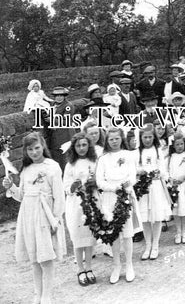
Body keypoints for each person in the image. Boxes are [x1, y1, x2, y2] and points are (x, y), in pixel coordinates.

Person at [3, 132, 66, 304]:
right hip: (28, 215)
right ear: (26, 151)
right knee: (35, 259)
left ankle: (47, 296)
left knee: (46, 258)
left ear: (43, 146)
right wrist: (12, 187)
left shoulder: (52, 167)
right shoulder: (26, 169)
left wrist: (56, 218)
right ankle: (37, 294)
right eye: (30, 149)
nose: (34, 152)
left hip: (45, 216)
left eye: (37, 148)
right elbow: (23, 196)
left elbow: (59, 196)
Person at [95, 128, 138, 284]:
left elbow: (132, 176)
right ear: (107, 140)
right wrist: (114, 187)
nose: (114, 141)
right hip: (109, 196)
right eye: (111, 139)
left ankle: (129, 265)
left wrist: (126, 186)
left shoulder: (128, 155)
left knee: (127, 233)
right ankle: (116, 265)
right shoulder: (103, 159)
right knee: (113, 233)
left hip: (125, 195)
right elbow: (100, 181)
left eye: (117, 138)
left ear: (122, 139)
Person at [63, 133, 98, 286]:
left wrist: (94, 183)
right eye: (78, 145)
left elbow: (99, 179)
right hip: (76, 205)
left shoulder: (94, 161)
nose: (81, 148)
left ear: (88, 146)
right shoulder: (70, 165)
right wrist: (73, 186)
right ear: (74, 148)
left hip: (90, 202)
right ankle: (80, 268)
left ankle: (89, 267)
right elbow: (66, 187)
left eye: (84, 145)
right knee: (78, 238)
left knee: (89, 237)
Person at [134, 124, 172, 260]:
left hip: (155, 186)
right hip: (143, 188)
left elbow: (163, 168)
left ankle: (155, 244)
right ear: (141, 138)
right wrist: (140, 172)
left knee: (156, 216)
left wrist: (158, 173)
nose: (148, 140)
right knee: (145, 218)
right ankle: (148, 245)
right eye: (145, 137)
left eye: (150, 137)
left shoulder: (158, 151)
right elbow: (134, 168)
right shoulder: (137, 152)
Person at [46, 87, 77, 171]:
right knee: (55, 156)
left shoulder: (68, 106)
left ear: (64, 96)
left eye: (61, 96)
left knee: (65, 157)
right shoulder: (53, 104)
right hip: (55, 134)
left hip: (65, 134)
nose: (59, 98)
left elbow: (66, 121)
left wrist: (52, 120)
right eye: (56, 96)